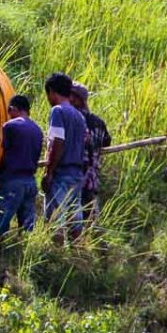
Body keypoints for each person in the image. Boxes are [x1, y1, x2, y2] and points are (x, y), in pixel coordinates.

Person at [0, 95, 44, 237]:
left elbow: (6, 155)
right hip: (30, 181)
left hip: (13, 181)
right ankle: (26, 254)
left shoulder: (11, 126)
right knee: (27, 227)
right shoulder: (37, 130)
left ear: (12, 109)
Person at [41, 73, 87, 239]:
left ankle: (56, 257)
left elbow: (57, 142)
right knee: (75, 219)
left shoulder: (58, 111)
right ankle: (76, 256)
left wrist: (49, 171)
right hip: (77, 173)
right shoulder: (80, 116)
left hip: (61, 172)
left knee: (55, 220)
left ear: (52, 92)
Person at [71, 82, 111, 226]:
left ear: (77, 99)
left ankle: (77, 244)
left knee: (72, 214)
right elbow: (107, 141)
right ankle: (91, 243)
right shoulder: (98, 122)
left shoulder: (73, 119)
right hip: (92, 177)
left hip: (74, 173)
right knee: (90, 216)